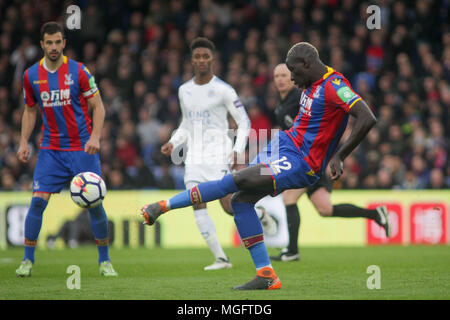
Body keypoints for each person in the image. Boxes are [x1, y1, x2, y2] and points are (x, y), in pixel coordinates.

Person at [141, 42, 378, 290]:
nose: (293, 79)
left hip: (300, 163)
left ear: (306, 65)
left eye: (293, 72)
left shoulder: (334, 85)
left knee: (239, 180)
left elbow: (367, 116)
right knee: (240, 200)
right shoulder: (311, 82)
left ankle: (163, 206)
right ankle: (266, 274)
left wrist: (341, 155)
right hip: (282, 146)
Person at [15, 22, 118, 277]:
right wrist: (23, 141)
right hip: (51, 150)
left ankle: (104, 261)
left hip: (83, 149)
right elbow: (29, 111)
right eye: (49, 42)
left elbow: (99, 107)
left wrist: (95, 137)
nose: (53, 47)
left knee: (95, 205)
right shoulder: (30, 76)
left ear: (64, 43)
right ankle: (27, 261)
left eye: (57, 42)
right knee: (37, 203)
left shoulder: (79, 71)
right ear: (42, 45)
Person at [271, 63, 391, 262]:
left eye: (284, 75)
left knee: (289, 198)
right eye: (276, 76)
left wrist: (333, 155)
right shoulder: (280, 105)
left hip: (313, 161)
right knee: (325, 209)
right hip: (303, 160)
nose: (280, 79)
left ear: (293, 77)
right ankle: (375, 214)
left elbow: (324, 127)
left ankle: (292, 251)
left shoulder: (301, 99)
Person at [159, 37, 251, 270]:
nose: (201, 60)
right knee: (196, 202)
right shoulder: (184, 90)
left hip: (219, 154)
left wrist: (238, 150)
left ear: (213, 59)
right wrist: (173, 142)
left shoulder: (223, 90)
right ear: (192, 60)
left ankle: (261, 214)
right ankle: (221, 258)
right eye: (197, 56)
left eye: (205, 56)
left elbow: (244, 122)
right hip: (194, 158)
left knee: (230, 207)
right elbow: (187, 124)